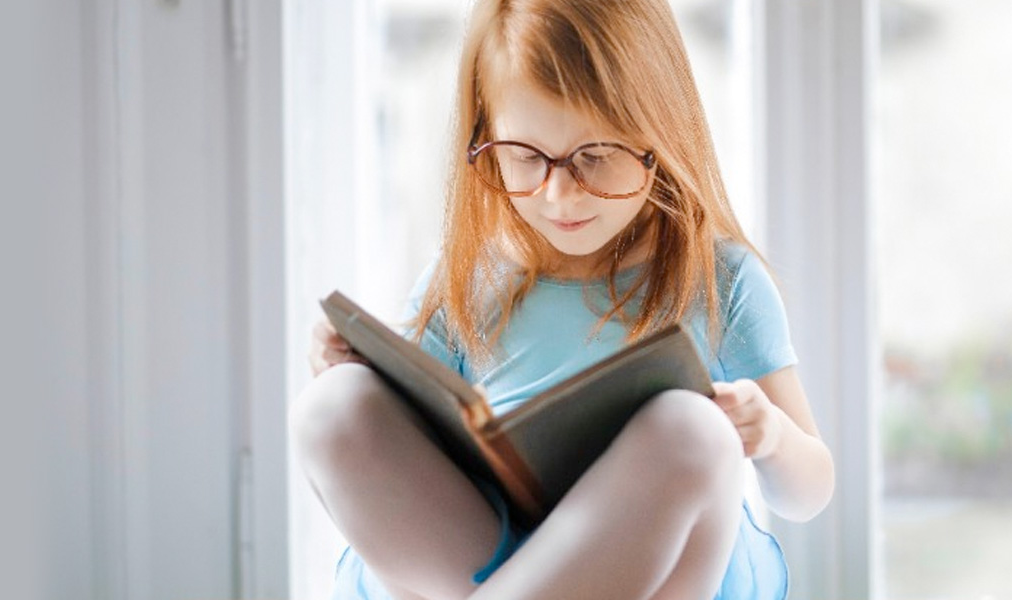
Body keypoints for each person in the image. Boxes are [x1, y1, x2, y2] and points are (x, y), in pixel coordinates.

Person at [288, 1, 834, 598]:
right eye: (524, 158)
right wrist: (353, 367)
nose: (559, 195)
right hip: (480, 556)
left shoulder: (717, 278)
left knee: (694, 432)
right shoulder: (465, 280)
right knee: (331, 406)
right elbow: (407, 446)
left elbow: (808, 495)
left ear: (660, 133)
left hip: (654, 568)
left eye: (594, 158)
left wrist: (771, 436)